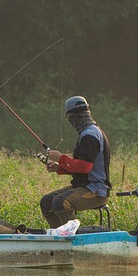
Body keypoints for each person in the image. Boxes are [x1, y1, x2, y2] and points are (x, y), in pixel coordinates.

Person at [40, 95, 111, 228]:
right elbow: (83, 168)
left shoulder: (90, 135)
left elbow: (85, 167)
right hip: (84, 186)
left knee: (61, 202)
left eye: (71, 118)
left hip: (96, 190)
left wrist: (61, 158)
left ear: (75, 117)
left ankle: (72, 238)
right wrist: (59, 167)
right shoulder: (87, 133)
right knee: (47, 202)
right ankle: (59, 236)